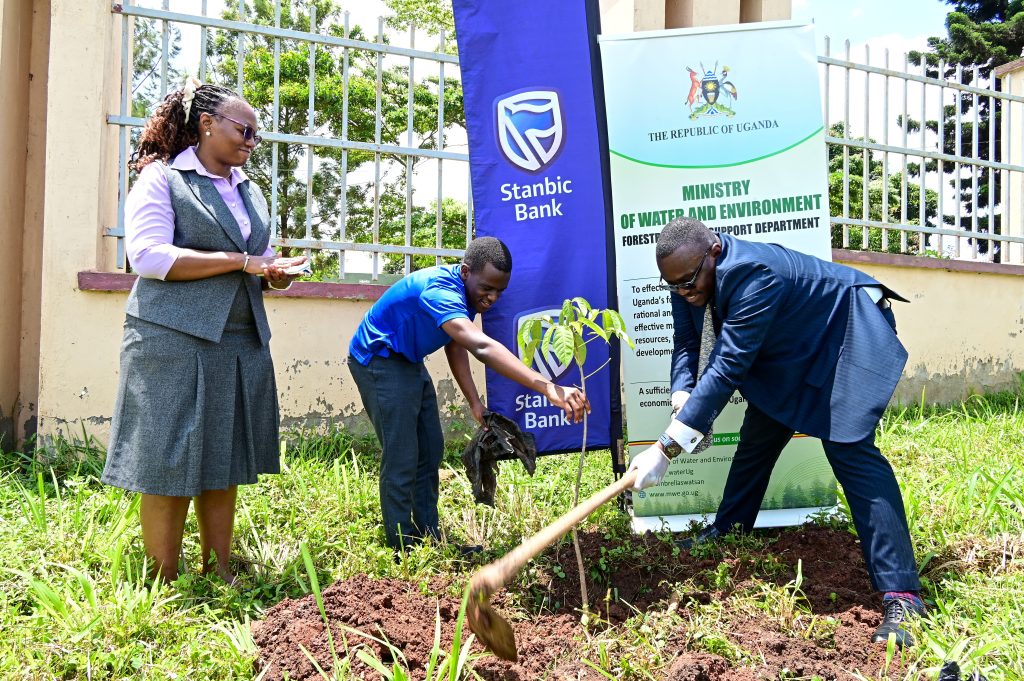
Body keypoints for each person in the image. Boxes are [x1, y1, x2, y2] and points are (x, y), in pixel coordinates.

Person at [627, 217, 925, 646]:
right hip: (793, 350)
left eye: (689, 283)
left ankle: (903, 595)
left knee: (850, 452)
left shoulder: (754, 274)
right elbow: (687, 344)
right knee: (757, 441)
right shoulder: (683, 276)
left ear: (714, 251)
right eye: (673, 286)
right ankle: (730, 530)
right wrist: (682, 390)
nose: (684, 294)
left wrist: (667, 447)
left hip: (847, 333)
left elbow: (729, 363)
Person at [101, 79, 306, 583]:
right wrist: (243, 261)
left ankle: (220, 571)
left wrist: (272, 274)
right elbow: (147, 256)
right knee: (168, 460)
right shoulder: (162, 179)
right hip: (171, 340)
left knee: (226, 458)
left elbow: (253, 266)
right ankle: (162, 580)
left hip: (239, 340)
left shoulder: (250, 191)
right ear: (207, 124)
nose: (251, 142)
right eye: (244, 130)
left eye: (256, 135)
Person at [348, 237, 590, 553]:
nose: (492, 297)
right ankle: (401, 548)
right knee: (403, 455)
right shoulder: (440, 289)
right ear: (465, 271)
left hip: (408, 360)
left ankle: (428, 539)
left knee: (430, 450)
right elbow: (480, 346)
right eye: (487, 288)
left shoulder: (465, 296)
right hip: (378, 360)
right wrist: (547, 387)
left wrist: (474, 402)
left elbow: (456, 343)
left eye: (499, 291)